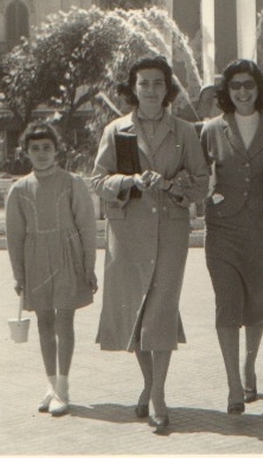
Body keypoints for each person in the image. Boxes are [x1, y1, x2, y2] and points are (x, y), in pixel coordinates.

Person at [90, 56, 209, 429]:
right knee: (135, 313)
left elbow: (202, 181)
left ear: (167, 88)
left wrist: (173, 185)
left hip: (170, 232)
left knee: (160, 310)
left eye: (158, 83)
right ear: (133, 88)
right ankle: (149, 383)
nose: (152, 90)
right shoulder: (116, 130)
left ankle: (158, 394)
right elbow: (96, 180)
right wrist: (129, 182)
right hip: (127, 233)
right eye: (144, 83)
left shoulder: (185, 131)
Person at [199, 59, 263, 415]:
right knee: (227, 303)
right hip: (222, 229)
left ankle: (250, 364)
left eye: (248, 85)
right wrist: (207, 195)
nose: (242, 92)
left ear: (259, 88)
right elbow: (198, 173)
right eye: (235, 86)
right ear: (226, 91)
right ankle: (234, 383)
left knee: (258, 302)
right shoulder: (211, 129)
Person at [5, 121, 98, 416]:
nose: (42, 153)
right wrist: (18, 274)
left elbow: (87, 226)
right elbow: (14, 236)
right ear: (26, 152)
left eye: (47, 148)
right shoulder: (19, 190)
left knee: (64, 321)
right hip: (35, 258)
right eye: (35, 149)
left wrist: (88, 265)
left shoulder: (72, 183)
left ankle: (64, 386)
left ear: (57, 150)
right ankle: (50, 384)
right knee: (45, 323)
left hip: (67, 256)